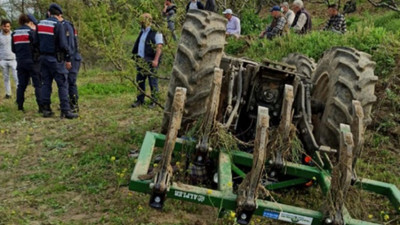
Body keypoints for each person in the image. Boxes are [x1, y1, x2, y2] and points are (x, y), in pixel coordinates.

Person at [36, 3, 78, 119]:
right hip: (55, 59)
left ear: (49, 13)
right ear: (58, 14)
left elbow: (35, 42)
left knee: (46, 84)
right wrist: (68, 58)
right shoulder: (58, 25)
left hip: (43, 58)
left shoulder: (39, 24)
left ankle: (46, 109)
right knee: (63, 84)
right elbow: (64, 45)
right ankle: (65, 110)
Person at [131, 13, 163, 108]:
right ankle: (140, 100)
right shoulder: (142, 31)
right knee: (140, 81)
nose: (140, 22)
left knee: (153, 82)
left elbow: (159, 47)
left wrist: (156, 60)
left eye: (142, 20)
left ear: (148, 20)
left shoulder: (156, 31)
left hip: (151, 60)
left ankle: (154, 101)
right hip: (141, 60)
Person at [11, 14, 42, 112]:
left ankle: (20, 106)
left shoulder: (14, 33)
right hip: (32, 61)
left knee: (21, 85)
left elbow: (13, 49)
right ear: (30, 22)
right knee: (38, 84)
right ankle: (41, 107)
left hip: (20, 62)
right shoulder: (31, 32)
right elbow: (37, 46)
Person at [61, 16, 82, 113]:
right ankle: (70, 103)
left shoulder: (66, 26)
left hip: (73, 58)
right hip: (71, 57)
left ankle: (74, 104)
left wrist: (68, 58)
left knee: (71, 81)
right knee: (68, 82)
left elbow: (70, 45)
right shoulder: (66, 26)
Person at [0, 19, 18, 99]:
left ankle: (19, 93)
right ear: (1, 26)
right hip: (3, 60)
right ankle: (8, 94)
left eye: (8, 26)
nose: (6, 28)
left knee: (16, 77)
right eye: (5, 26)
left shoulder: (14, 35)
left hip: (13, 59)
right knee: (6, 78)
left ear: (10, 27)